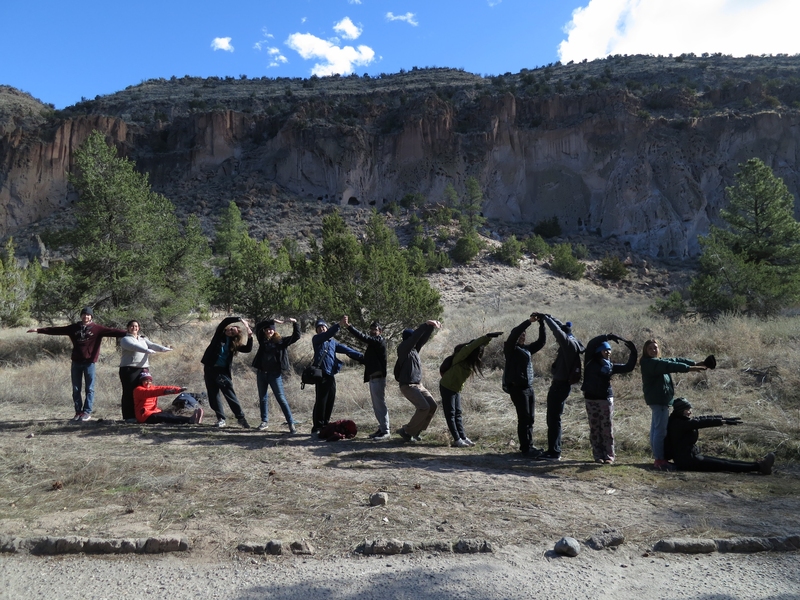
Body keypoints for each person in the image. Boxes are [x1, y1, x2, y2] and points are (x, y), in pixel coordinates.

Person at [27, 306, 126, 421]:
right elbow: (57, 330)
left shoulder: (97, 329)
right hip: (76, 362)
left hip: (89, 363)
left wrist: (130, 333)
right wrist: (39, 330)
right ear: (81, 316)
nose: (86, 316)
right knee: (76, 388)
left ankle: (87, 412)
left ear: (91, 316)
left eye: (88, 315)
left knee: (89, 388)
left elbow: (114, 332)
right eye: (84, 314)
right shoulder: (74, 328)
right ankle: (78, 412)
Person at [640, 339, 712, 471]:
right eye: (650, 348)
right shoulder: (650, 363)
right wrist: (690, 368)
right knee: (660, 432)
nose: (653, 350)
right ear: (645, 351)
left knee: (656, 430)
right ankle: (659, 460)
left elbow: (673, 361)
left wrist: (694, 363)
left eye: (655, 348)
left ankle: (658, 458)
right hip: (659, 401)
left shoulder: (657, 362)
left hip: (659, 401)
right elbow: (670, 365)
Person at [665, 398, 775, 474]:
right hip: (687, 462)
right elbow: (700, 423)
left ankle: (759, 465)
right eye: (687, 410)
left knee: (726, 462)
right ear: (681, 411)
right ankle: (759, 467)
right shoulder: (679, 423)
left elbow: (701, 419)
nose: (690, 412)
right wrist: (722, 422)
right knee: (724, 464)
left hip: (690, 458)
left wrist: (724, 419)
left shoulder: (679, 419)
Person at [580, 334, 638, 464]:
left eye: (609, 350)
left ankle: (609, 456)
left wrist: (634, 353)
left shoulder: (611, 365)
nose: (608, 352)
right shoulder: (589, 360)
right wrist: (607, 337)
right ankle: (598, 455)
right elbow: (591, 343)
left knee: (607, 428)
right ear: (598, 351)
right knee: (594, 428)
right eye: (605, 349)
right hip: (590, 399)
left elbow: (628, 367)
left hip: (605, 399)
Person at [440, 332, 503, 447]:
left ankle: (463, 437)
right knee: (451, 414)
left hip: (456, 388)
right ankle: (457, 439)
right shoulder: (461, 355)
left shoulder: (469, 361)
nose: (480, 354)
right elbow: (471, 346)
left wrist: (488, 340)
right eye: (478, 352)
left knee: (458, 413)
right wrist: (486, 336)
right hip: (447, 386)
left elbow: (478, 347)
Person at [540, 314, 585, 460]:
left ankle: (554, 452)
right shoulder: (573, 340)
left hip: (559, 386)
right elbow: (562, 328)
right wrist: (549, 316)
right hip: (562, 386)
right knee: (555, 419)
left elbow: (557, 331)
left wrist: (546, 319)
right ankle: (554, 450)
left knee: (553, 419)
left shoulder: (568, 345)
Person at [503, 313, 547, 457]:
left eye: (524, 334)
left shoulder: (526, 349)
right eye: (520, 334)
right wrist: (529, 322)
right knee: (524, 417)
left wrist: (542, 324)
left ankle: (529, 446)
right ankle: (526, 448)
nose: (522, 336)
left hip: (529, 388)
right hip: (517, 388)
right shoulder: (511, 349)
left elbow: (541, 342)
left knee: (530, 418)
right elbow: (515, 333)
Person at [310, 319, 364, 435]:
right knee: (321, 401)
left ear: (326, 328)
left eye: (323, 327)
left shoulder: (332, 342)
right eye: (319, 328)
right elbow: (328, 334)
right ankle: (317, 427)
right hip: (321, 374)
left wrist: (361, 356)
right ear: (317, 330)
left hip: (330, 375)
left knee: (330, 399)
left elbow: (346, 349)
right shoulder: (317, 339)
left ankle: (325, 424)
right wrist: (339, 325)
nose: (321, 329)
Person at [341, 316, 390, 440]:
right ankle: (381, 428)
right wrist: (352, 355)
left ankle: (386, 431)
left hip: (378, 378)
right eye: (372, 329)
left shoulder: (379, 341)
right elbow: (366, 360)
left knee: (380, 404)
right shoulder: (374, 344)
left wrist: (349, 327)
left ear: (381, 331)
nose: (373, 331)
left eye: (376, 329)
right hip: (373, 378)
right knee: (376, 405)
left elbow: (363, 337)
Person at [200, 317, 253, 428]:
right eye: (230, 329)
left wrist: (250, 336)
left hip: (221, 372)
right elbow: (224, 322)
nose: (230, 331)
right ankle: (221, 419)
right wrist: (239, 319)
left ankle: (241, 418)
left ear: (235, 335)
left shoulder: (234, 344)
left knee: (229, 394)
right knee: (213, 395)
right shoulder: (219, 336)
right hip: (209, 369)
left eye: (233, 331)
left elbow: (248, 349)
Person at [393, 320, 441, 442]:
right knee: (423, 407)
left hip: (418, 385)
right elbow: (415, 337)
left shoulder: (414, 350)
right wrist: (425, 324)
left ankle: (416, 431)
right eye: (413, 337)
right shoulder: (403, 348)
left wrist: (431, 327)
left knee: (432, 406)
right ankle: (407, 431)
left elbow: (422, 339)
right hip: (408, 386)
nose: (415, 340)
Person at [252, 317, 301, 433]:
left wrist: (294, 323)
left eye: (271, 329)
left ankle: (290, 423)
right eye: (267, 329)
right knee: (263, 398)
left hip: (275, 375)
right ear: (264, 331)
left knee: (281, 399)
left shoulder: (281, 341)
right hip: (261, 374)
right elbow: (258, 326)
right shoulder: (262, 340)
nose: (269, 331)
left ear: (274, 330)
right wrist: (272, 320)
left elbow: (296, 336)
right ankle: (264, 422)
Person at [119, 320, 172, 423]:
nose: (134, 328)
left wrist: (163, 349)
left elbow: (152, 345)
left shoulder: (142, 339)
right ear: (128, 327)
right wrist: (146, 350)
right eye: (132, 326)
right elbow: (134, 347)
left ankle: (142, 414)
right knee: (129, 392)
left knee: (144, 391)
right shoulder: (125, 339)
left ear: (139, 328)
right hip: (129, 369)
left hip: (143, 368)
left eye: (136, 326)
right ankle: (129, 416)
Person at [133, 372, 203, 425]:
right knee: (168, 418)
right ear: (141, 381)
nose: (148, 383)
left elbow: (162, 388)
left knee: (169, 415)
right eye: (145, 381)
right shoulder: (138, 390)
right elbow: (153, 392)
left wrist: (177, 389)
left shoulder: (152, 387)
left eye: (149, 381)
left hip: (154, 411)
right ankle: (191, 420)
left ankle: (192, 419)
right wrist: (167, 391)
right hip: (144, 416)